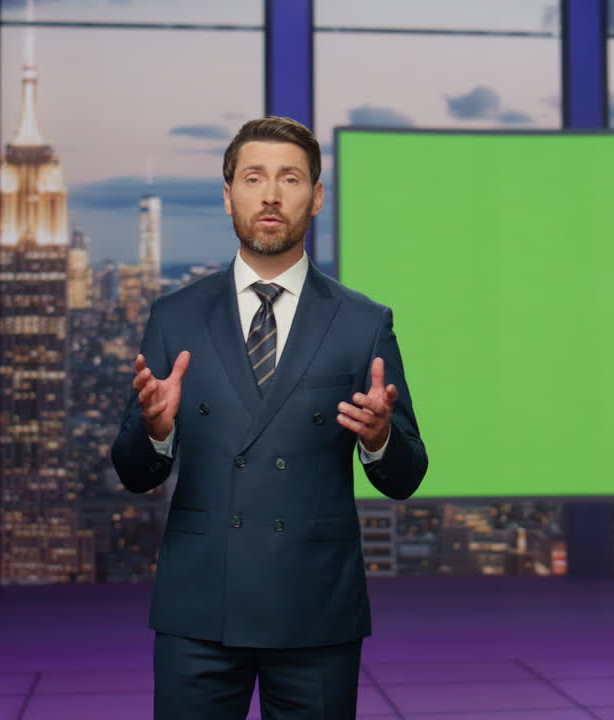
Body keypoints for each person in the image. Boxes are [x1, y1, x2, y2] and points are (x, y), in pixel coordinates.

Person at [109, 116, 428, 719]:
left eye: (291, 178)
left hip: (316, 606)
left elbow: (407, 475)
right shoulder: (175, 316)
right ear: (228, 195)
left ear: (317, 196)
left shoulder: (363, 323)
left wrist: (381, 439)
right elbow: (133, 473)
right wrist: (157, 430)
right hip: (199, 605)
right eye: (254, 178)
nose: (272, 195)